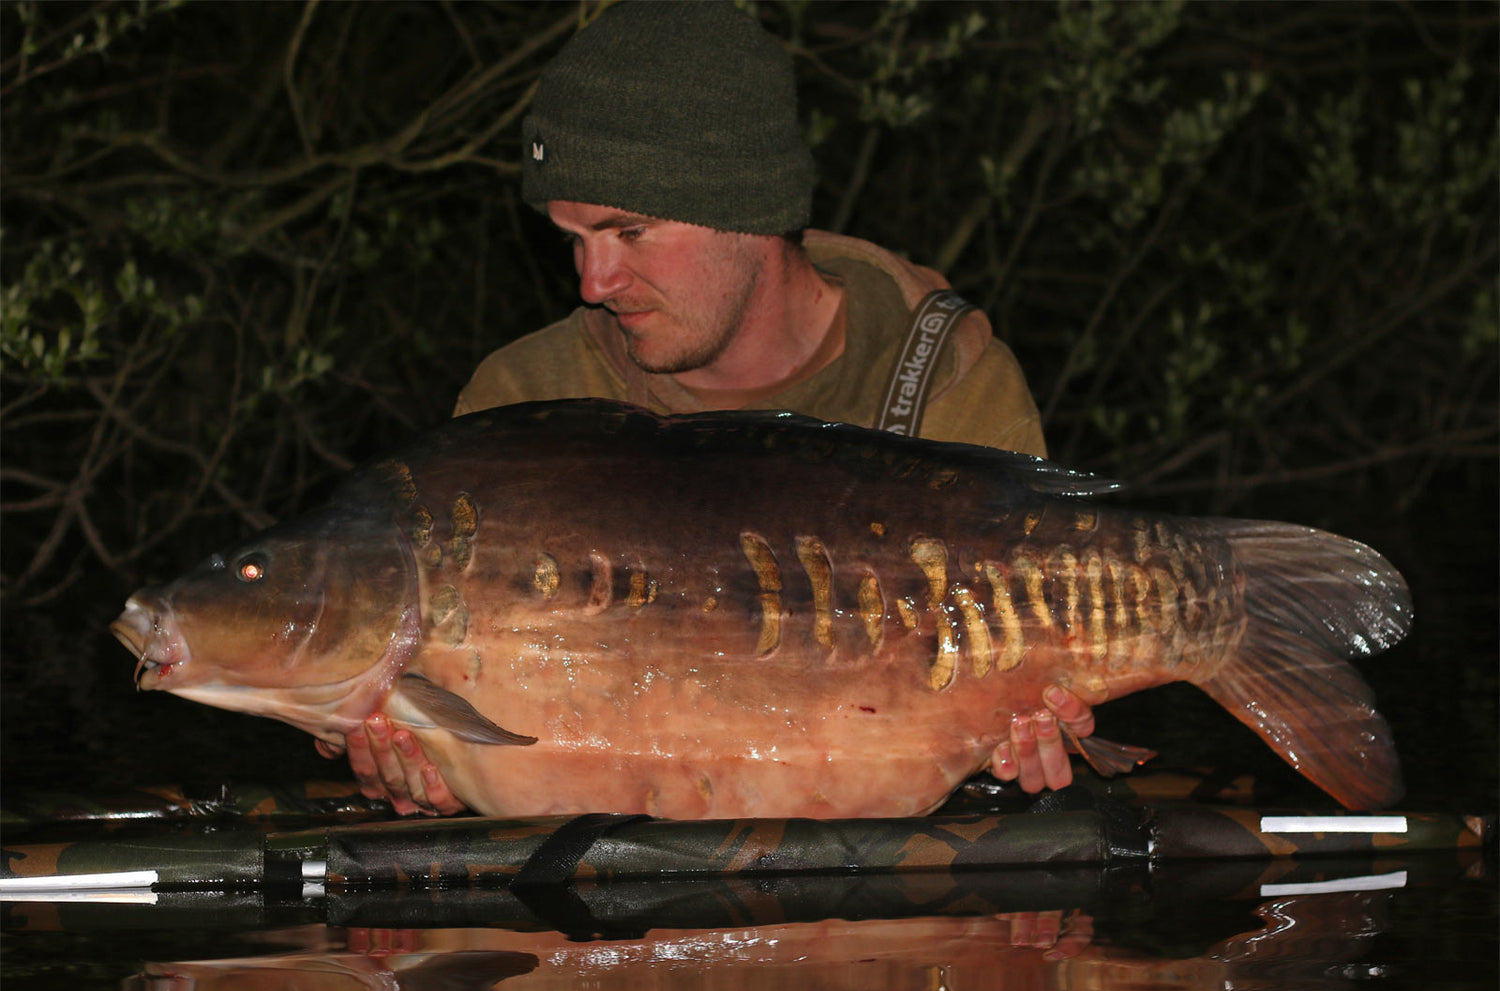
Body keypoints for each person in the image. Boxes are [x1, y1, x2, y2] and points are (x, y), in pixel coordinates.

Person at [322, 0, 1098, 815]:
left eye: (629, 232)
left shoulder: (943, 376)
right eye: (574, 240)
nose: (593, 282)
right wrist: (437, 777)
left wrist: (1020, 735)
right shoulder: (523, 405)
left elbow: (1043, 657)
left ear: (746, 211)